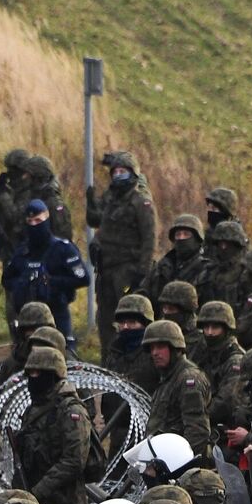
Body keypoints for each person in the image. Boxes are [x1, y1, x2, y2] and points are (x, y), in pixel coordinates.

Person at [85, 150, 156, 353]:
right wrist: (91, 203)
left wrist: (142, 274)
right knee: (105, 320)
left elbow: (149, 240)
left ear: (133, 173)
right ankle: (109, 362)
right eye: (115, 172)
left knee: (129, 318)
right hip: (106, 270)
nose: (118, 176)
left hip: (128, 270)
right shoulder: (111, 199)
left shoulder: (140, 202)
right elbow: (96, 221)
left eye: (123, 171)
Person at [12, 346, 94, 504]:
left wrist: (39, 490)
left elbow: (74, 460)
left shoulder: (70, 410)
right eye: (30, 374)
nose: (33, 379)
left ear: (53, 375)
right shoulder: (34, 410)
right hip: (36, 501)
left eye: (38, 374)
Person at [2, 199, 89, 347]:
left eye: (38, 220)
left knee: (64, 358)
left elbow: (83, 279)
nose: (35, 225)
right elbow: (7, 280)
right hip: (27, 319)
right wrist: (24, 283)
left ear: (47, 217)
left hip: (57, 315)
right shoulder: (23, 252)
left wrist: (51, 282)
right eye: (30, 221)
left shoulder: (63, 249)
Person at [141, 321, 214, 462]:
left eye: (160, 347)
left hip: (183, 467)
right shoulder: (168, 378)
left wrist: (176, 464)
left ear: (175, 348)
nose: (155, 353)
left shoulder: (189, 379)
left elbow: (197, 433)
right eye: (152, 348)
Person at [140, 214, 206, 304]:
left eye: (186, 234)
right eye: (178, 234)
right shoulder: (161, 267)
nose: (181, 238)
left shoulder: (206, 269)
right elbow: (144, 292)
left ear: (197, 238)